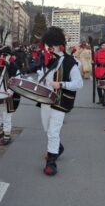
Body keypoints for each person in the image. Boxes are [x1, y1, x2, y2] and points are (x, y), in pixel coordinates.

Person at [38, 27, 83, 176]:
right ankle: (58, 148)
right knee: (47, 129)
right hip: (45, 99)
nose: (47, 48)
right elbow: (43, 79)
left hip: (60, 101)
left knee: (52, 131)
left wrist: (61, 84)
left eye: (50, 45)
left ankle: (51, 163)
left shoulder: (71, 62)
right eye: (47, 45)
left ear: (58, 45)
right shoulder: (47, 59)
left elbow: (79, 84)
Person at [94, 40, 105, 106]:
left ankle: (104, 100)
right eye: (103, 45)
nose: (104, 46)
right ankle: (100, 99)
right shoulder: (97, 52)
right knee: (99, 86)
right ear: (101, 46)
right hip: (98, 70)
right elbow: (95, 61)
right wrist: (93, 62)